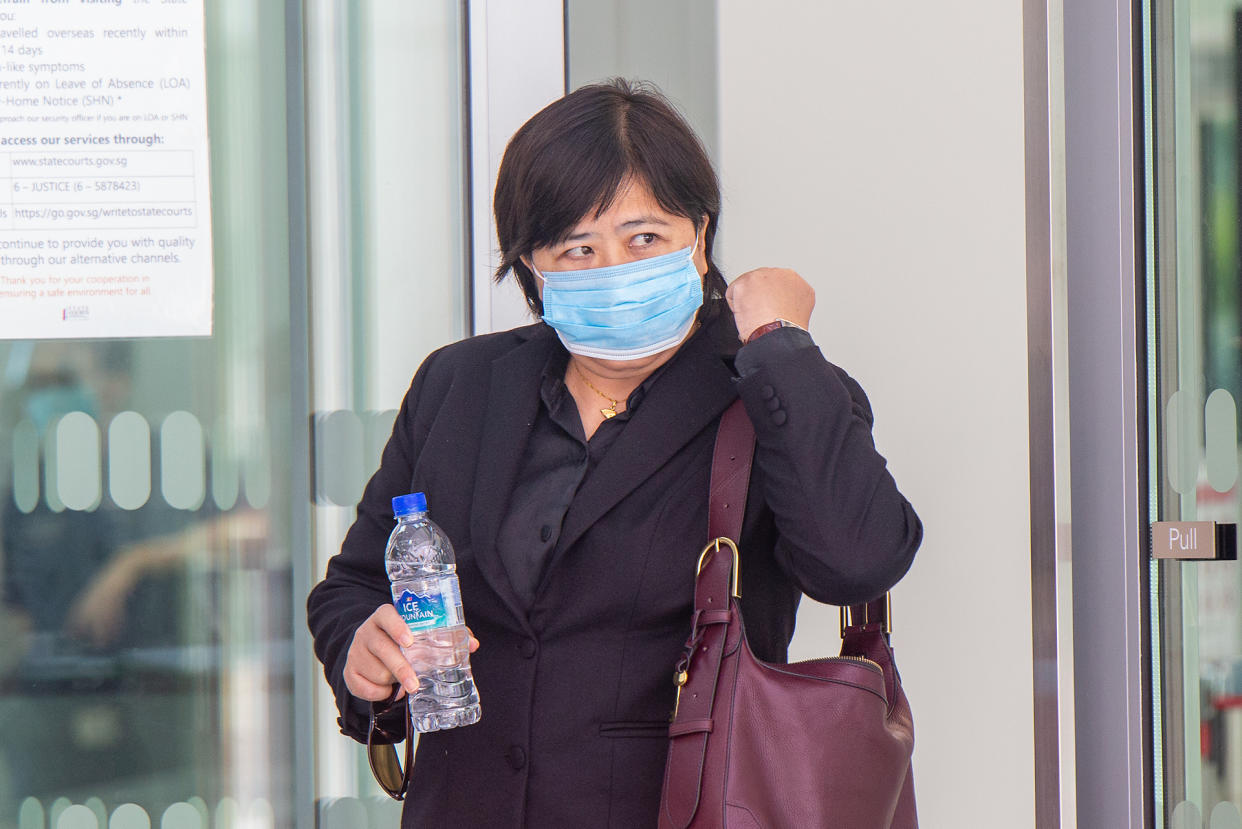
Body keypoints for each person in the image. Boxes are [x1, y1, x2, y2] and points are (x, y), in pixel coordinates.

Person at [307, 78, 922, 828]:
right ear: (531, 265)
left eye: (644, 238)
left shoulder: (768, 391)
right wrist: (362, 651)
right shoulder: (460, 385)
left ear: (698, 237)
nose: (612, 270)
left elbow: (858, 561)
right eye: (577, 248)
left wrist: (778, 346)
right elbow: (353, 586)